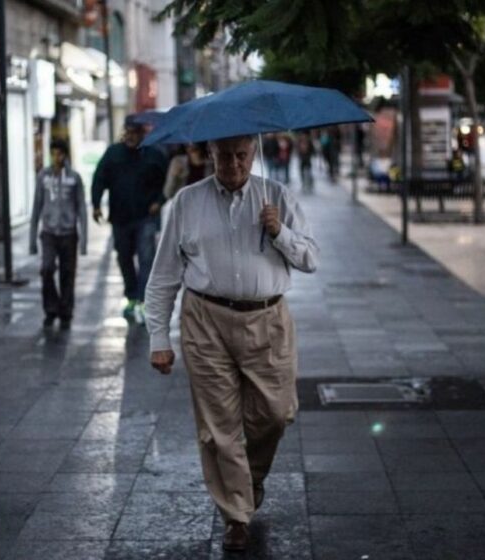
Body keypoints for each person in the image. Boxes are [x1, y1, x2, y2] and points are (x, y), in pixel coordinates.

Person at [144, 135, 319, 552]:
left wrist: (279, 232)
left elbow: (311, 259)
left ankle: (248, 479)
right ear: (210, 155)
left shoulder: (277, 195)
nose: (234, 165)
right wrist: (158, 337)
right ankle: (236, 515)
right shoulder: (187, 202)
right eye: (225, 156)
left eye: (242, 156)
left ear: (254, 154)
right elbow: (164, 274)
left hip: (268, 320)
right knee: (218, 427)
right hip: (205, 321)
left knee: (274, 415)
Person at [92, 115, 168, 324]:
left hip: (145, 216)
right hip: (120, 217)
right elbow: (100, 177)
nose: (130, 136)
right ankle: (132, 297)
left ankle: (144, 300)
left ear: (142, 134)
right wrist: (96, 204)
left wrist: (159, 201)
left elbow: (167, 181)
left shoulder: (153, 154)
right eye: (128, 132)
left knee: (146, 259)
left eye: (135, 133)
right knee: (124, 257)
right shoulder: (113, 153)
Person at [29, 138, 88, 330]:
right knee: (47, 269)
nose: (57, 157)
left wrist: (84, 240)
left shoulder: (74, 178)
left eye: (60, 154)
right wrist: (32, 238)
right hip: (48, 233)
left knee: (67, 274)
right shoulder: (43, 176)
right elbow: (36, 206)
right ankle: (50, 308)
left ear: (66, 155)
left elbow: (81, 209)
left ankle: (66, 311)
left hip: (69, 233)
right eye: (53, 153)